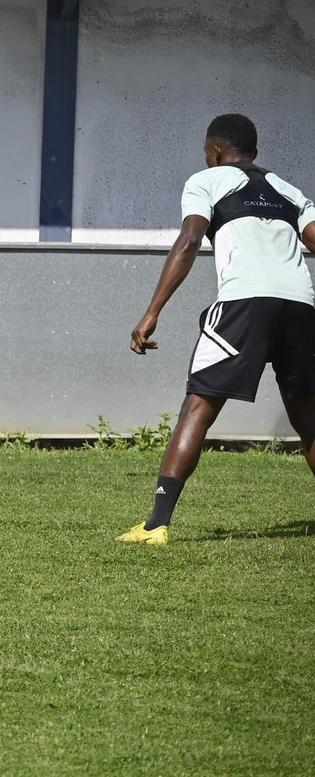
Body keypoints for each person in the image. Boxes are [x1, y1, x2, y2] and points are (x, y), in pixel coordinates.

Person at [125, 113, 315, 544]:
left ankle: (155, 525)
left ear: (214, 151)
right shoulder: (288, 189)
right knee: (308, 418)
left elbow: (190, 240)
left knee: (198, 408)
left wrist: (152, 310)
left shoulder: (206, 180)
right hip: (301, 307)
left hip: (243, 304)